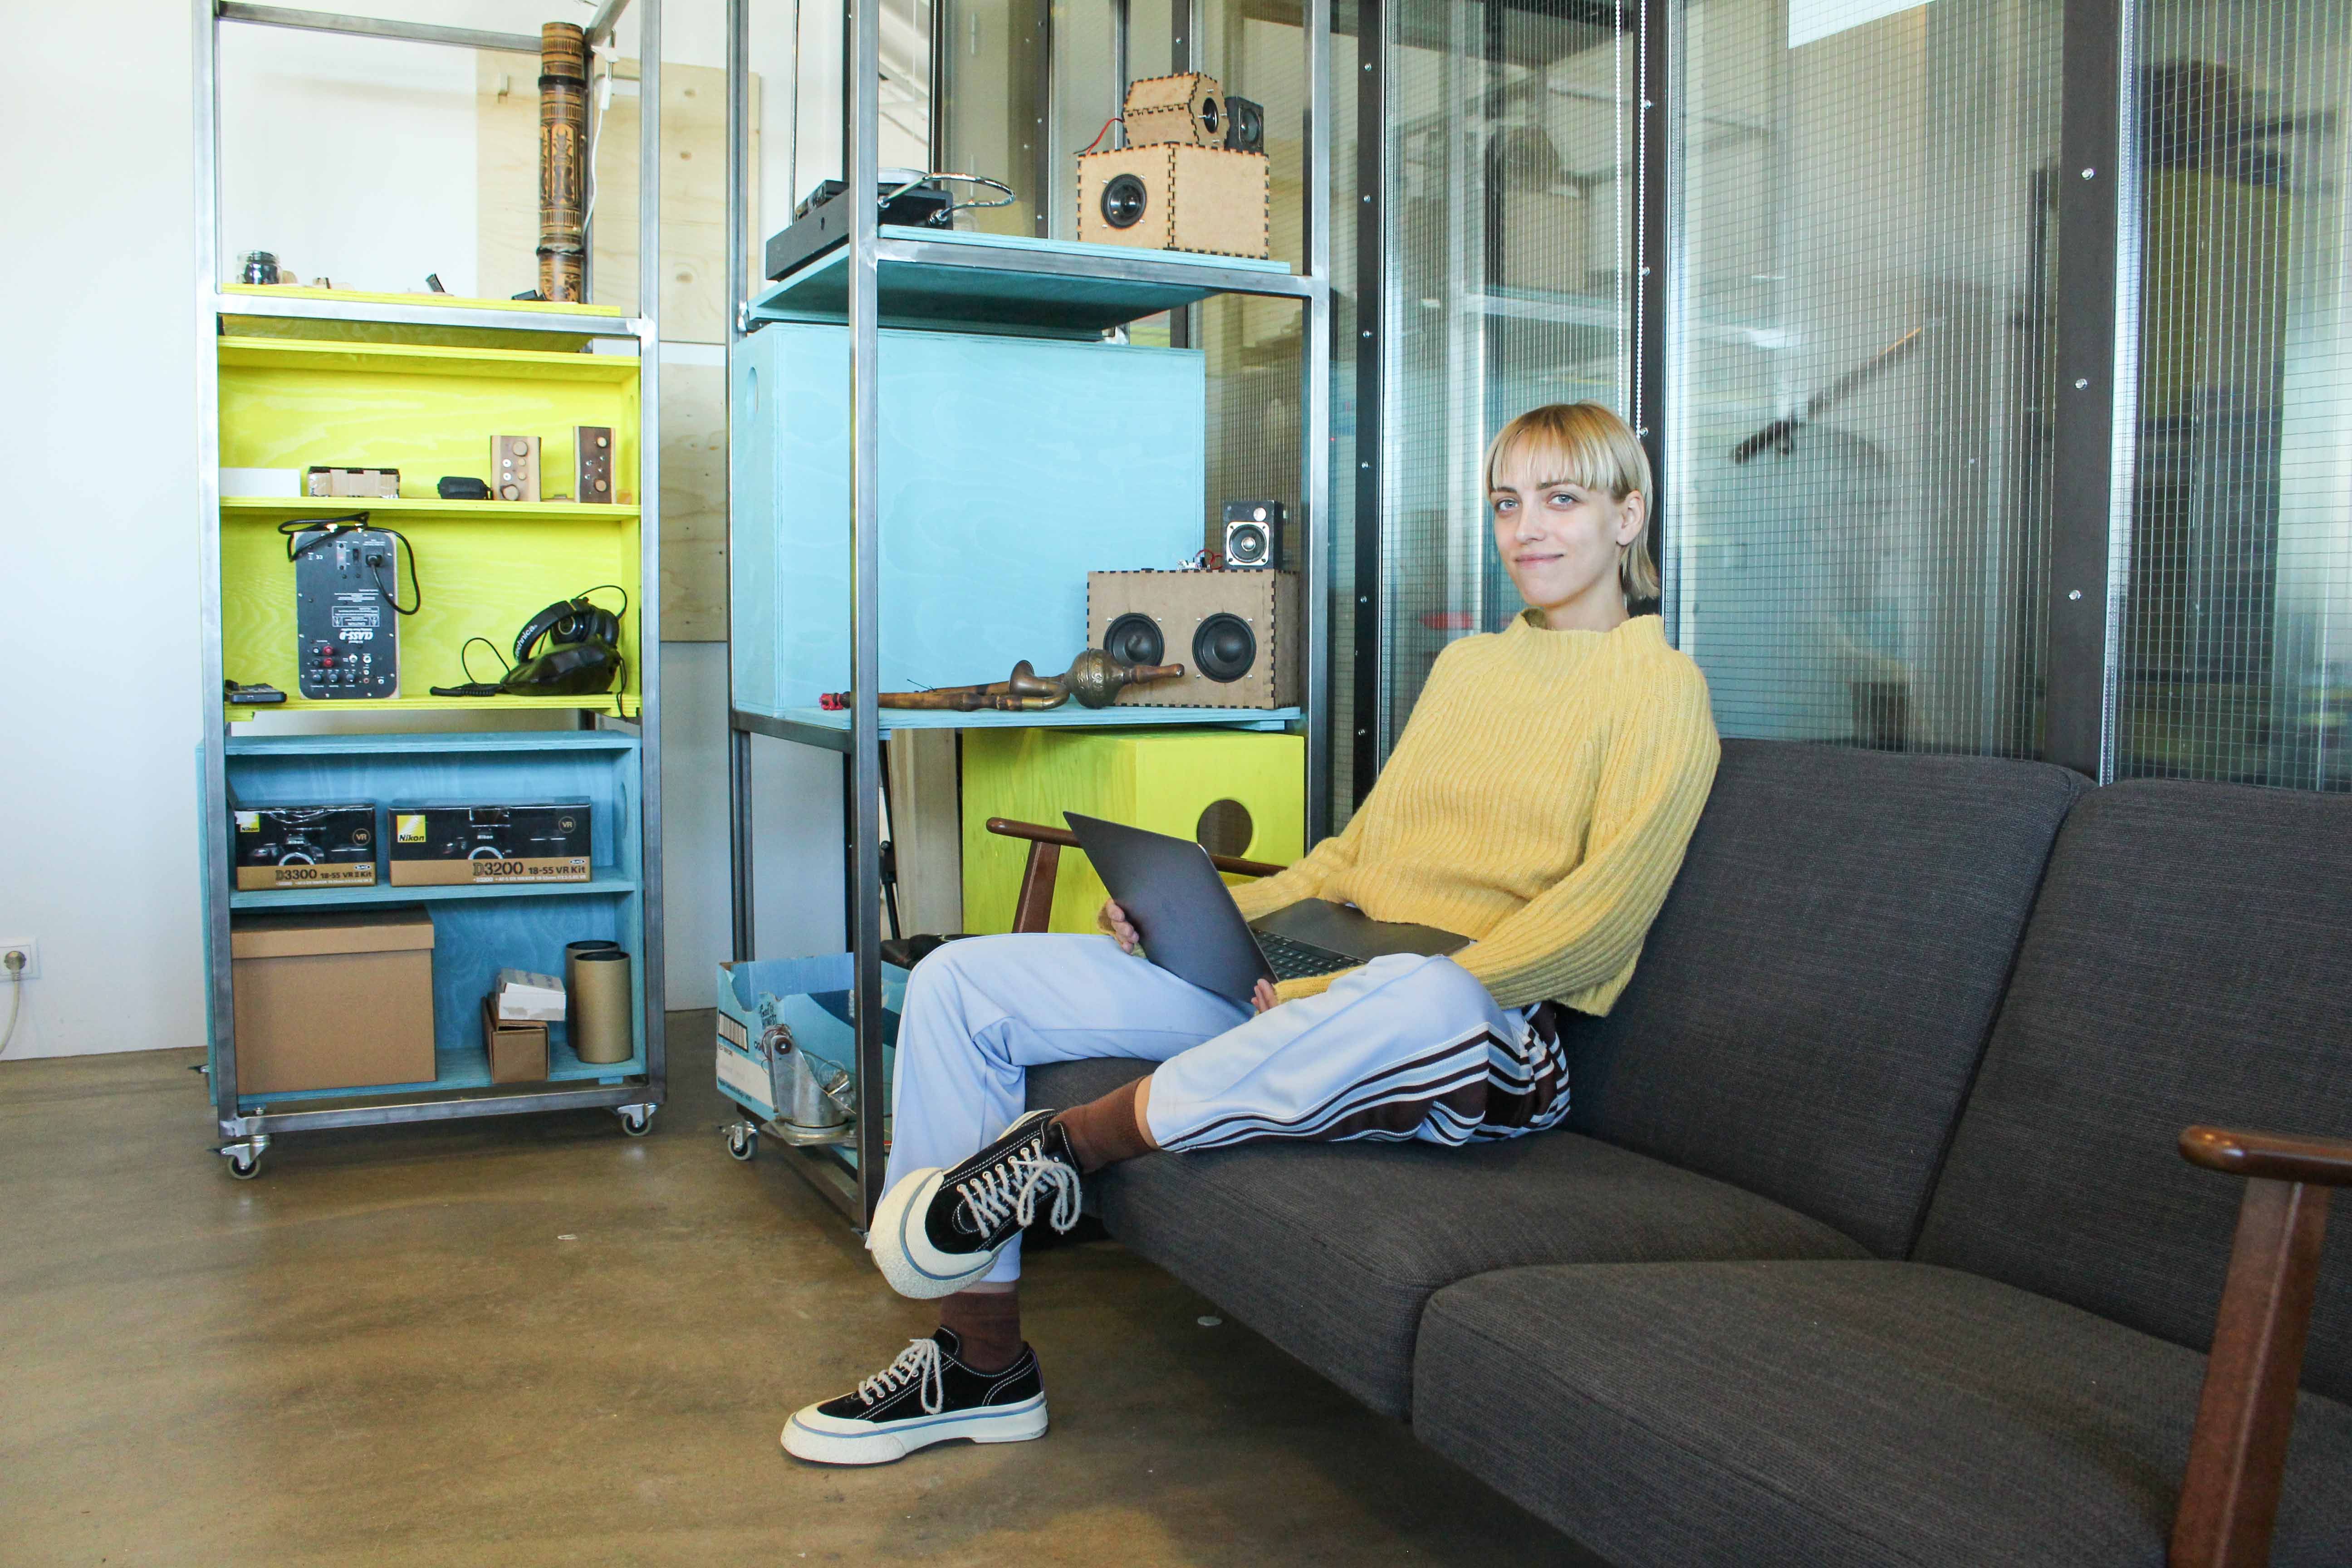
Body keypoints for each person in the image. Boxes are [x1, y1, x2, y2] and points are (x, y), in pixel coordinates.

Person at [781, 401, 1721, 1465]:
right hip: (1317, 991)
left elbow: (1596, 930)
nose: (1528, 530)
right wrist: (1207, 919)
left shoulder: (1663, 691)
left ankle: (1074, 1145)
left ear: (1628, 515)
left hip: (1481, 1034)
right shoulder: (1469, 670)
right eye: (1507, 504)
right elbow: (1351, 861)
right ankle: (980, 1362)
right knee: (962, 981)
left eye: (1562, 500)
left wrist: (1338, 994)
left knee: (1423, 988)